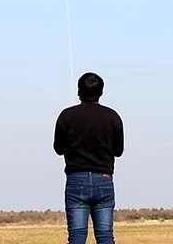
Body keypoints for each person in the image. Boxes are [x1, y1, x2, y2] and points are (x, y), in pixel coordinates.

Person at [53, 72, 124, 244]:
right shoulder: (112, 116)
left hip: (76, 180)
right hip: (104, 180)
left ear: (79, 92)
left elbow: (58, 149)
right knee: (106, 236)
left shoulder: (66, 116)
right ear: (101, 92)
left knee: (77, 237)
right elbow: (118, 151)